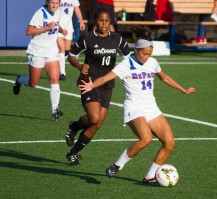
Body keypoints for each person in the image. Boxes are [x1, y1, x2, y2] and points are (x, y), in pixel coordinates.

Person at [79, 26, 196, 184]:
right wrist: (91, 86)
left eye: (150, 54)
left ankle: (149, 176)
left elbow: (164, 77)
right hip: (134, 107)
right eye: (144, 53)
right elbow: (106, 78)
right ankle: (117, 166)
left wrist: (183, 90)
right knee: (145, 139)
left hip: (152, 108)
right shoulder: (126, 64)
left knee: (169, 142)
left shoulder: (153, 62)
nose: (147, 57)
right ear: (136, 50)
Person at [65, 7, 130, 165]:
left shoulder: (117, 38)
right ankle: (75, 125)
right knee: (94, 117)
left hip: (107, 84)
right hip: (89, 82)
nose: (104, 24)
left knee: (97, 124)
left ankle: (73, 153)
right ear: (95, 21)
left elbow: (129, 59)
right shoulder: (87, 38)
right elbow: (71, 55)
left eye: (107, 21)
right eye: (101, 20)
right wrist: (80, 67)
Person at [13, 0, 67, 121]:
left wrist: (61, 30)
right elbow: (29, 31)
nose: (54, 5)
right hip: (37, 50)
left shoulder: (58, 12)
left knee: (54, 79)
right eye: (52, 3)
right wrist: (47, 27)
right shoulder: (40, 13)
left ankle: (55, 111)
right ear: (47, 2)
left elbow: (56, 24)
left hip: (51, 50)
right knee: (33, 83)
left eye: (57, 3)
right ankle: (20, 79)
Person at [57, 0, 86, 81]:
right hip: (58, 26)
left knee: (66, 50)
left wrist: (81, 21)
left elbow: (76, 9)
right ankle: (62, 72)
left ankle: (56, 60)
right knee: (61, 48)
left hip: (68, 26)